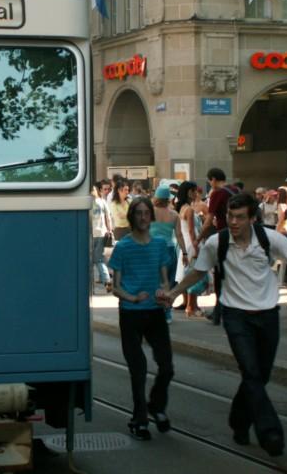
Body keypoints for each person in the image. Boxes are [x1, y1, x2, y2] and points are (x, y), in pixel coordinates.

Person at [158, 193, 287, 458]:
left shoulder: (267, 238)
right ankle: (270, 432)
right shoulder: (216, 242)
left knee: (260, 376)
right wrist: (174, 294)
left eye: (239, 217)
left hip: (267, 316)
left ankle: (239, 421)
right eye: (230, 216)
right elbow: (198, 271)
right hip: (236, 316)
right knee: (251, 372)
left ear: (252, 218)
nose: (233, 222)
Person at [109, 197, 173, 441]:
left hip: (155, 313)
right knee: (139, 369)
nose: (144, 217)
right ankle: (140, 419)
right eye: (139, 213)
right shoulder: (123, 247)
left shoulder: (159, 245)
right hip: (131, 314)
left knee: (167, 367)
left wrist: (163, 291)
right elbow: (115, 287)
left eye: (147, 213)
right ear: (132, 217)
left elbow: (165, 280)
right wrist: (132, 298)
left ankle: (156, 405)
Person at [200, 168, 240, 325]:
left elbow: (208, 220)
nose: (210, 184)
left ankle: (218, 312)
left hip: (224, 238)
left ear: (214, 179)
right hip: (239, 236)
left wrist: (198, 238)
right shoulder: (235, 190)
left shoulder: (217, 194)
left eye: (210, 180)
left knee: (219, 274)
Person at [150, 186, 184, 322]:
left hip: (152, 250)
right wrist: (185, 253)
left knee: (154, 282)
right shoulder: (174, 214)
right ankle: (167, 312)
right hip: (169, 250)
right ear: (168, 199)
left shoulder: (149, 213)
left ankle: (155, 311)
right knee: (168, 283)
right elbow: (179, 235)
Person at [176, 181, 205, 318]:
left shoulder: (182, 208)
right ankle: (191, 307)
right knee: (196, 275)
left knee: (187, 275)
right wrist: (197, 247)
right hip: (192, 244)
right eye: (194, 191)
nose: (196, 194)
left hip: (185, 245)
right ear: (189, 192)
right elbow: (192, 231)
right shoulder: (189, 210)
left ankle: (190, 305)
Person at [90, 185, 113, 291]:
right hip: (101, 233)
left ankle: (106, 280)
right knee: (99, 258)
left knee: (96, 259)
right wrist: (110, 230)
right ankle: (103, 278)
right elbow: (108, 217)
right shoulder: (102, 202)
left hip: (93, 234)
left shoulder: (88, 203)